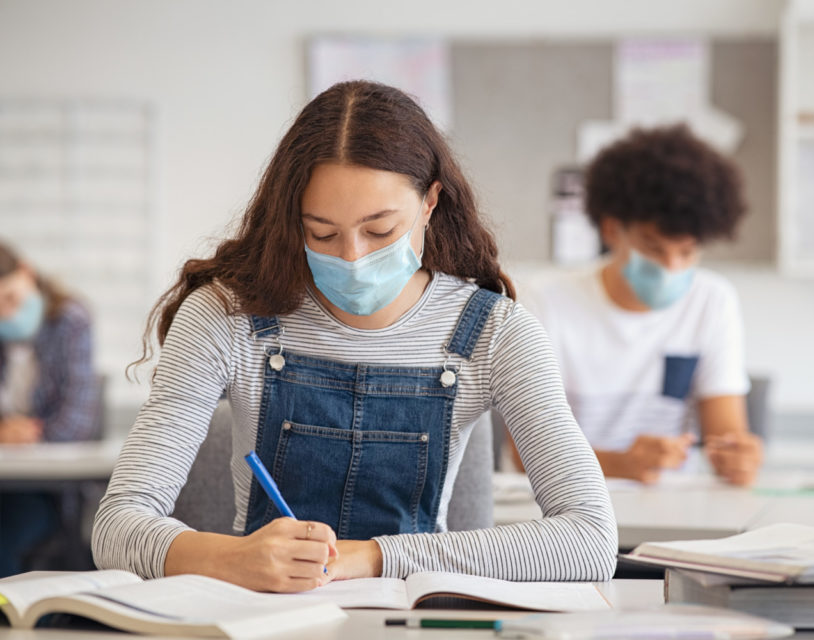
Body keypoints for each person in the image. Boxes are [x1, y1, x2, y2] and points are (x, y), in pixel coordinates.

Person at [92, 80, 617, 593]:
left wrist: (372, 556)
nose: (352, 258)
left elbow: (590, 540)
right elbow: (117, 526)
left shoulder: (496, 332)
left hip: (412, 620)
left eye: (380, 231)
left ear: (431, 202)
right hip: (261, 618)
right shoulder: (225, 316)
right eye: (321, 233)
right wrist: (231, 558)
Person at [524, 125, 762, 487]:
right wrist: (621, 463)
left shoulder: (712, 302)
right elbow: (524, 454)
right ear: (611, 230)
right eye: (653, 248)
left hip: (671, 514)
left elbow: (726, 436)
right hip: (565, 511)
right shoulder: (544, 302)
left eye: (687, 252)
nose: (672, 268)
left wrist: (737, 458)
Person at [0, 242, 99, 577]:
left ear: (26, 272)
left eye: (10, 299)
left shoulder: (71, 322)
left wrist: (28, 432)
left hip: (44, 490)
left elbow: (75, 423)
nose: (6, 314)